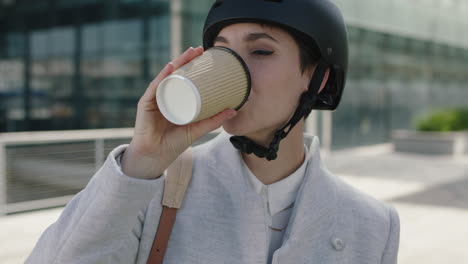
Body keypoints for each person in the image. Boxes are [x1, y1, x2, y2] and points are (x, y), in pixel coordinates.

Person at [26, 0, 400, 263]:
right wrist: (141, 161)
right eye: (221, 50)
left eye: (262, 51)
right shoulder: (151, 189)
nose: (233, 66)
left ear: (318, 79)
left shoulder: (373, 225)